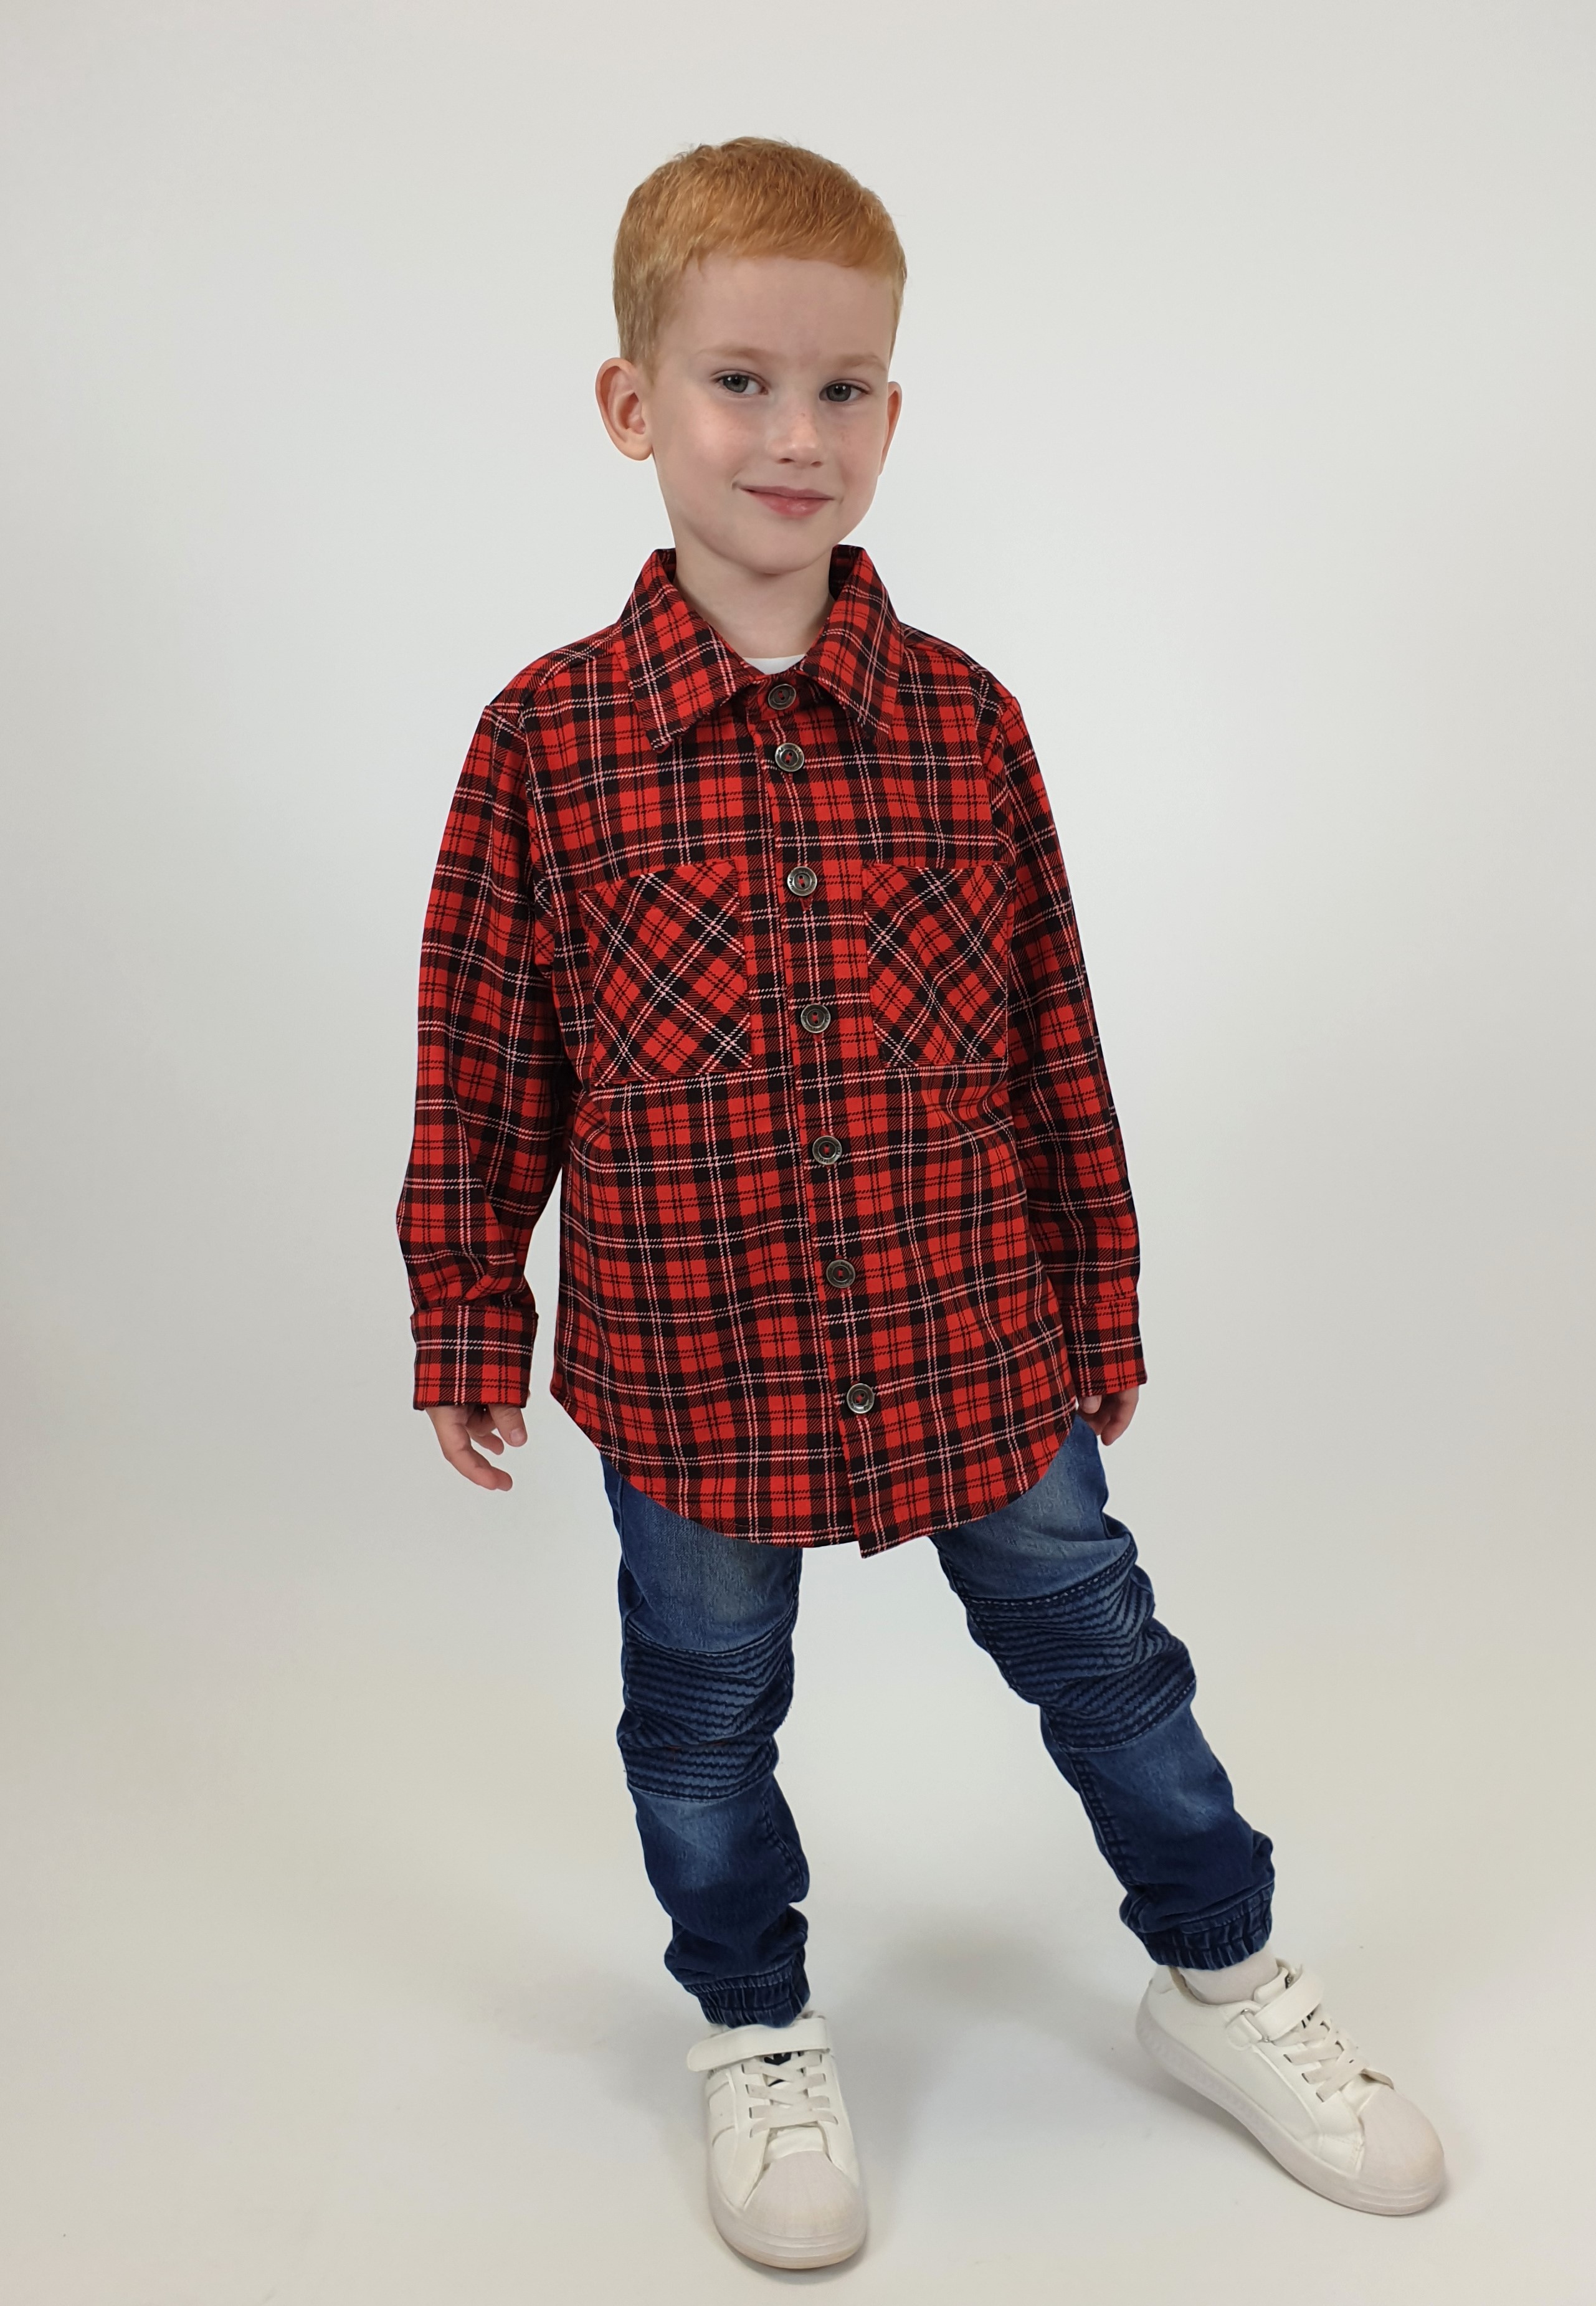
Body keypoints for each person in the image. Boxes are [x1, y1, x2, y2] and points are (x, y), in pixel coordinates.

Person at [396, 136, 1445, 2272]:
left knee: (1111, 1661)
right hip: (693, 1363)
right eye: (742, 383)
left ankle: (1221, 1974)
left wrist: (1099, 1296)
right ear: (632, 403)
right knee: (700, 1716)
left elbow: (1055, 1032)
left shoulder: (967, 725)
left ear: (894, 408)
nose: (797, 434)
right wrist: (466, 1308)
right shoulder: (545, 745)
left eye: (845, 388)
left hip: (973, 1330)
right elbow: (485, 1055)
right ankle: (755, 2028)